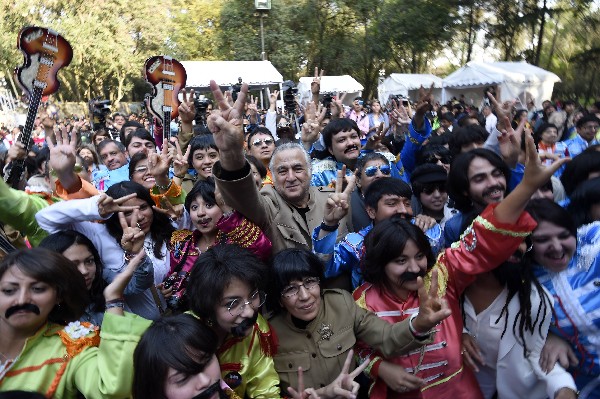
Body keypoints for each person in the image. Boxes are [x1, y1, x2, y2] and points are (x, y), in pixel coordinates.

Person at [351, 130, 568, 398]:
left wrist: (525, 186)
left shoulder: (441, 275)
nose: (415, 268)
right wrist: (381, 369)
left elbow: (483, 237)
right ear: (380, 263)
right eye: (400, 261)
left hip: (458, 390)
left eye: (419, 256)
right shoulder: (362, 300)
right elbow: (358, 347)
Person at [269, 248, 451, 395]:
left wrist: (418, 324)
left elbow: (386, 336)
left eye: (310, 282)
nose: (304, 296)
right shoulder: (268, 333)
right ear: (279, 299)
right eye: (291, 289)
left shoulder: (342, 304)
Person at [206, 80, 350, 253]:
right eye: (282, 171)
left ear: (310, 172)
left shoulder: (334, 200)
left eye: (298, 169)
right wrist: (231, 152)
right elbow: (242, 195)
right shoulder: (268, 204)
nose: (290, 177)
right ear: (272, 176)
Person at [0, 247, 151, 397]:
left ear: (58, 296)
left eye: (38, 289)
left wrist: (113, 300)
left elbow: (111, 389)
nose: (21, 300)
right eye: (9, 290)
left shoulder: (71, 346)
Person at [35, 182, 172, 320]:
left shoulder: (166, 230)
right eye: (127, 212)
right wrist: (95, 208)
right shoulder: (98, 235)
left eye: (143, 207)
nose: (140, 216)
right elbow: (45, 218)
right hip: (136, 329)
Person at [525, 199, 600, 399]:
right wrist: (546, 337)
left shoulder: (592, 247)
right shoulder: (524, 281)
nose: (557, 247)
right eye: (542, 240)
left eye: (564, 236)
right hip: (585, 381)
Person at [186, 244, 280, 399]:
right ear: (208, 308)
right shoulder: (181, 339)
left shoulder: (256, 330)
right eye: (232, 304)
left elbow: (265, 389)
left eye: (253, 295)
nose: (249, 312)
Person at [163, 179, 271, 311]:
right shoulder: (182, 244)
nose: (201, 213)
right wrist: (169, 289)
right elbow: (174, 277)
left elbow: (263, 249)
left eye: (209, 205)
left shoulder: (236, 240)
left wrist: (228, 211)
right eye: (194, 207)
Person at [38, 231, 106, 326]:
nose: (84, 271)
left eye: (89, 261)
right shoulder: (42, 316)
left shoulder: (106, 285)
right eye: (73, 266)